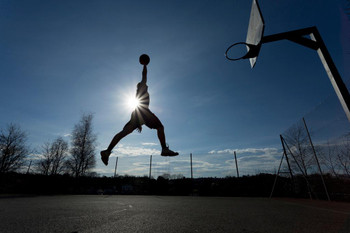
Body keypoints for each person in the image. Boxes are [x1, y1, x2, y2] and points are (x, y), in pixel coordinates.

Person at [101, 55, 178, 166]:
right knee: (160, 127)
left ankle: (107, 151)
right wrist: (145, 66)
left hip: (137, 113)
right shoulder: (142, 86)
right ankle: (164, 149)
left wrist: (139, 122)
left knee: (124, 133)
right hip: (143, 112)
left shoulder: (140, 92)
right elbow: (144, 76)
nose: (146, 84)